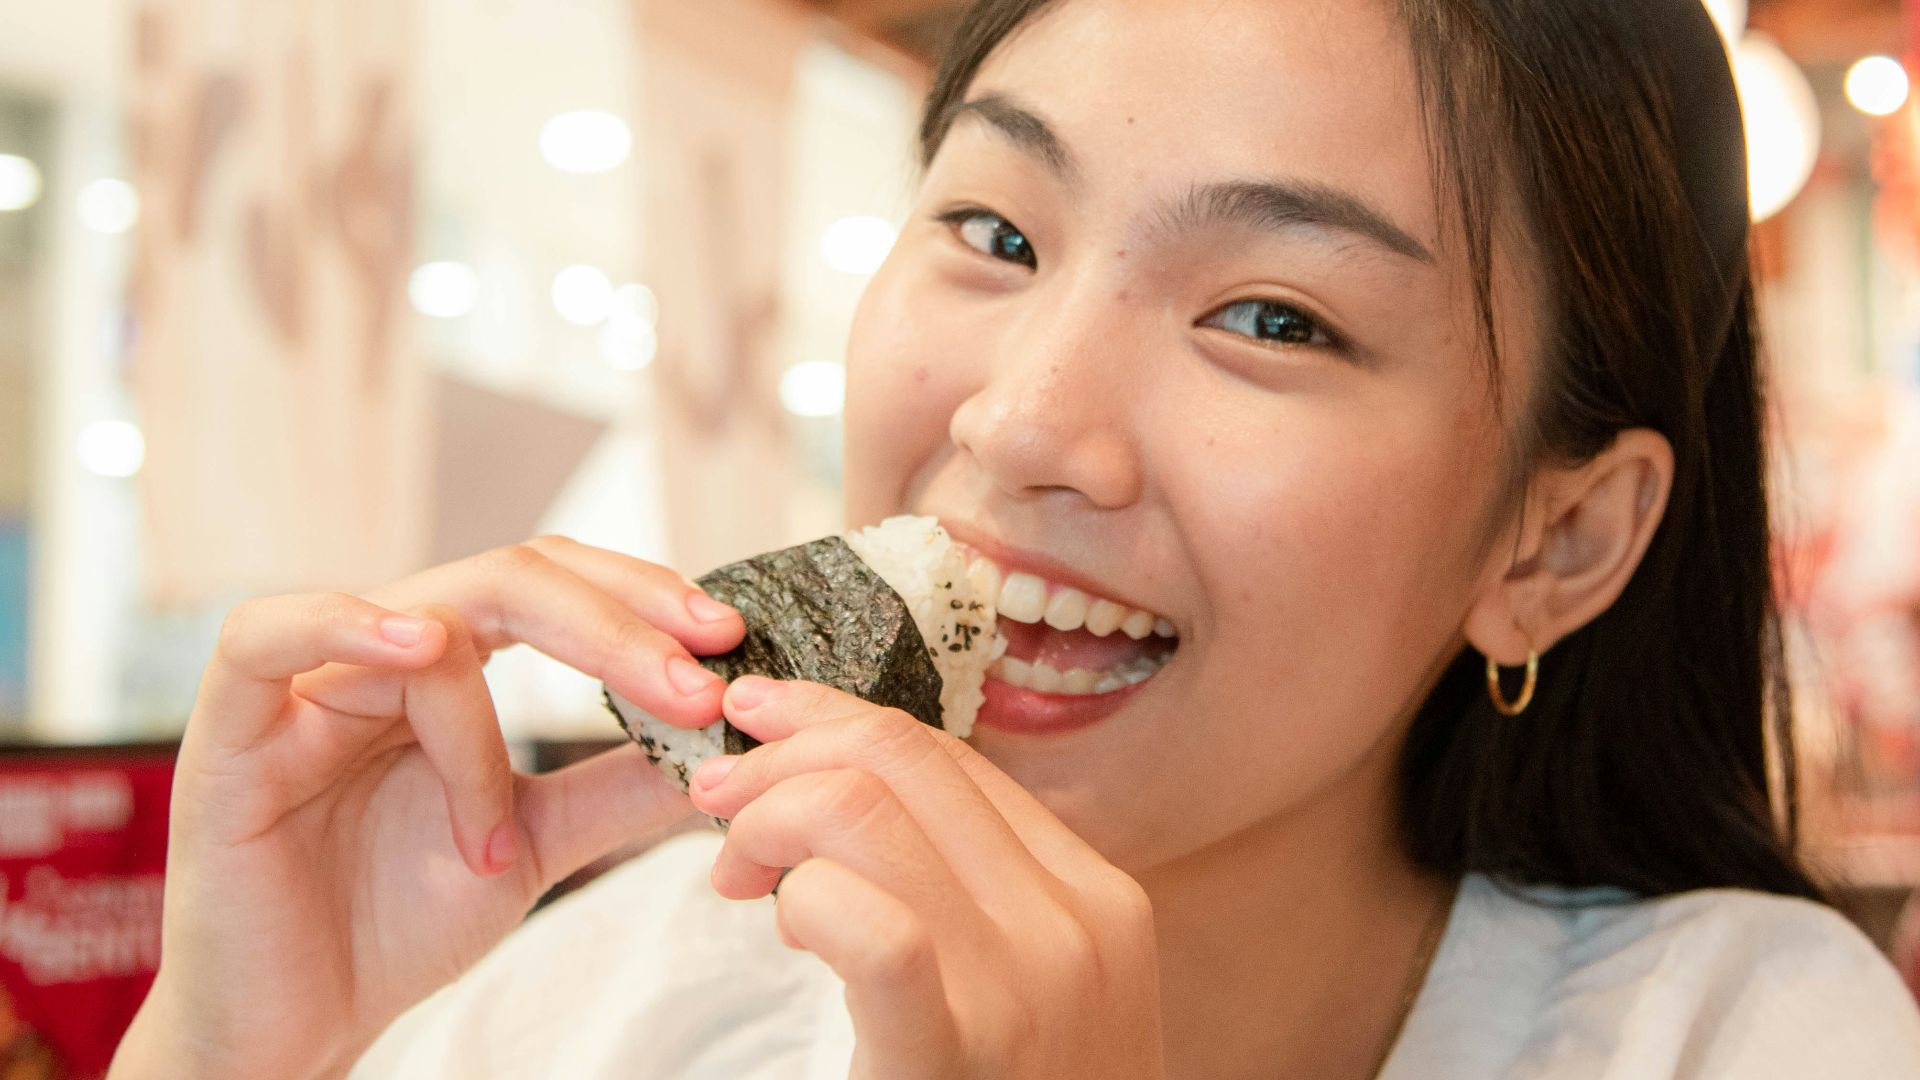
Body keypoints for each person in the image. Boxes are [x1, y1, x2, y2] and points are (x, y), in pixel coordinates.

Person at [107, 0, 1920, 1077]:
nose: (1019, 420)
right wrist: (232, 1046)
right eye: (994, 229)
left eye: (1275, 318)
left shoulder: (1742, 1041)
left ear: (1561, 540)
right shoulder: (611, 996)